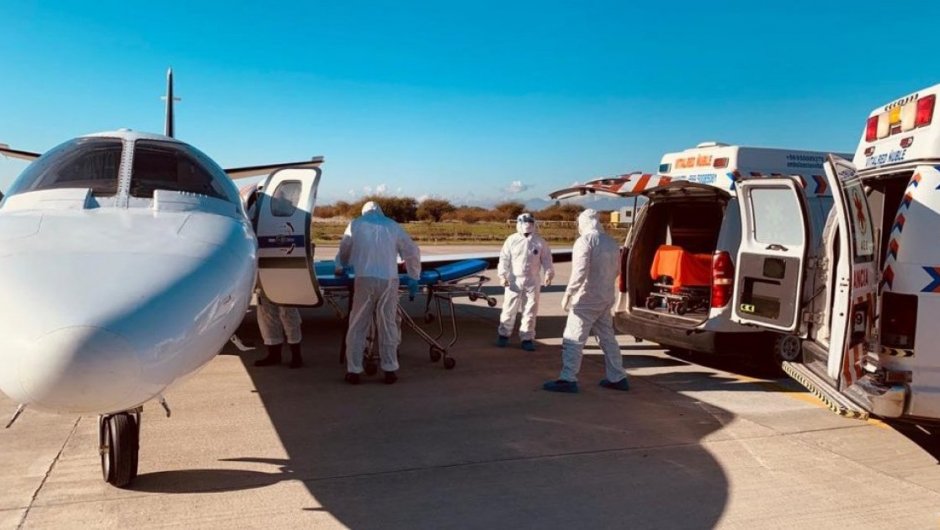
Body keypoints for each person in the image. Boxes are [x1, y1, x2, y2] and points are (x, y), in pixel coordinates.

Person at [543, 209, 628, 393]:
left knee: (573, 338)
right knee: (608, 338)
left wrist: (569, 293)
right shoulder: (611, 243)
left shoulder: (584, 242)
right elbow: (617, 270)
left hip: (586, 299)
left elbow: (579, 272)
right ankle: (618, 376)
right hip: (606, 297)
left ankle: (568, 378)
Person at [336, 201, 421, 385]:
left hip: (364, 279)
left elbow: (344, 249)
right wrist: (414, 276)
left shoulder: (355, 224)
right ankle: (390, 369)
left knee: (358, 324)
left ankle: (354, 371)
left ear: (364, 212)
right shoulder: (392, 225)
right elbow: (411, 250)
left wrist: (341, 265)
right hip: (389, 280)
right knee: (388, 323)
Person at [244, 182, 305, 369]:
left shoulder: (281, 210)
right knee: (268, 312)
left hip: (282, 266)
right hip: (268, 265)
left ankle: (294, 354)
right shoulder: (289, 210)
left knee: (285, 311)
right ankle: (277, 353)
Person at [496, 212, 554, 351]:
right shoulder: (511, 240)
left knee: (530, 310)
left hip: (532, 280)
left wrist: (548, 273)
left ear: (534, 225)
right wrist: (503, 275)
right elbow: (504, 259)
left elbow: (547, 259)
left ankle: (527, 338)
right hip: (514, 279)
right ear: (519, 225)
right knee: (509, 309)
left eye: (530, 224)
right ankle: (504, 335)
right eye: (525, 225)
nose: (528, 228)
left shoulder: (540, 241)